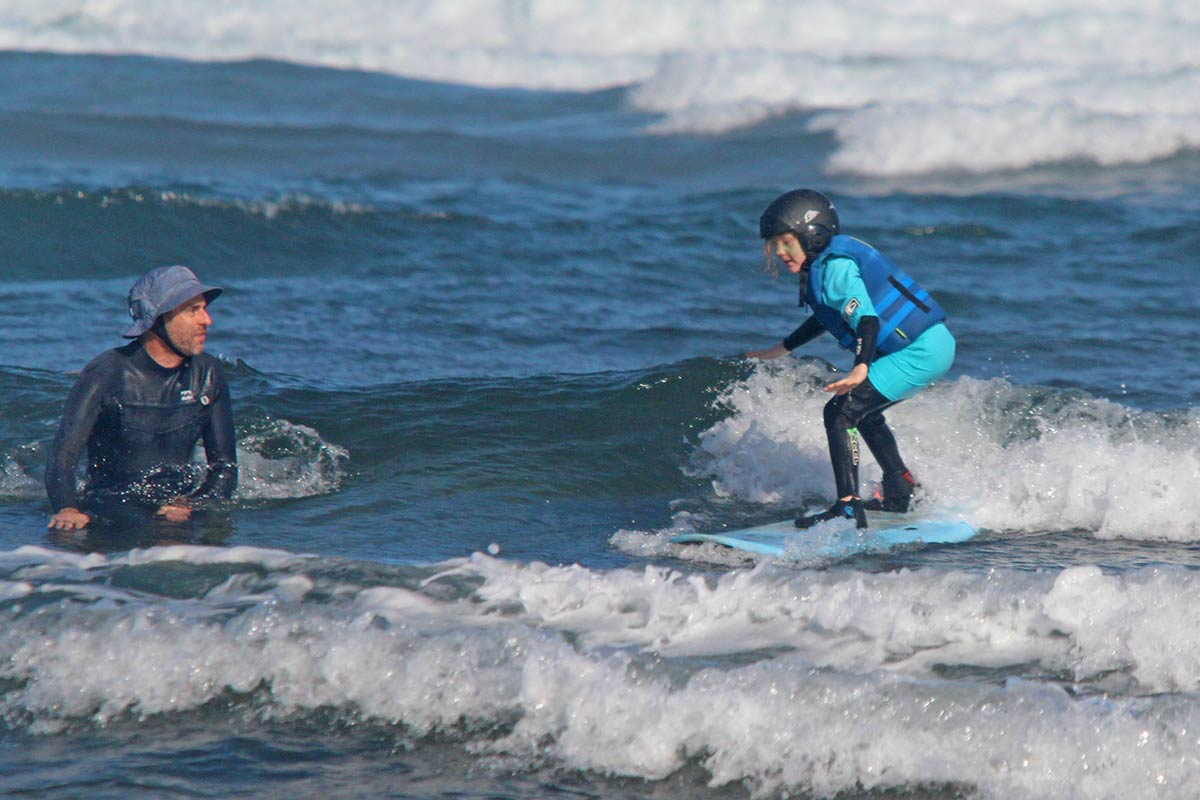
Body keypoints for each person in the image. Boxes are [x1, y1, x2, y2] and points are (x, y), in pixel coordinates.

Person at [746, 189, 955, 529]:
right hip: (927, 344)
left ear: (812, 236)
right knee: (864, 415)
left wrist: (861, 367)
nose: (780, 253)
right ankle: (900, 487)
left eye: (786, 242)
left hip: (921, 350)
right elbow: (827, 315)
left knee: (841, 411)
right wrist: (782, 348)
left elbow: (867, 319)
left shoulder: (837, 268)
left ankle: (847, 506)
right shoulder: (824, 266)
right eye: (775, 245)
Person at [45, 265, 238, 531]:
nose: (207, 320)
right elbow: (62, 459)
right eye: (193, 310)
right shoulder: (106, 373)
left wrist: (194, 503)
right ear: (158, 320)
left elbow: (225, 468)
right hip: (111, 504)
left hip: (179, 504)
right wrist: (67, 508)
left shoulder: (208, 373)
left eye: (204, 309)